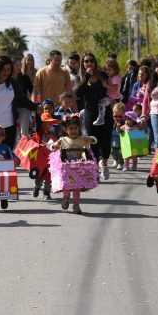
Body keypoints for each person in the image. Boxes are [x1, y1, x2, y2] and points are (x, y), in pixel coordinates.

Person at [0, 56, 39, 149]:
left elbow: (22, 100)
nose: (6, 72)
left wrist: (36, 107)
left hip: (9, 128)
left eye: (8, 70)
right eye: (3, 70)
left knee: (7, 158)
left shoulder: (14, 84)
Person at [75, 52, 112, 180]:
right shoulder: (81, 78)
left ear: (95, 62)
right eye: (86, 61)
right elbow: (77, 93)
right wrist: (86, 78)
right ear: (83, 64)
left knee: (106, 142)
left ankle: (105, 164)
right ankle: (95, 169)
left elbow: (114, 89)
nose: (89, 63)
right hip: (90, 113)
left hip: (105, 112)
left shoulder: (102, 75)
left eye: (91, 60)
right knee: (93, 141)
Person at [51, 114, 98, 214]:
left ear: (79, 129)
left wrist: (90, 139)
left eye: (76, 128)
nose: (73, 131)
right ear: (65, 129)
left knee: (77, 188)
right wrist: (54, 145)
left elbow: (94, 141)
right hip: (66, 168)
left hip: (78, 168)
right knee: (67, 187)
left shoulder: (82, 139)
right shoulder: (63, 140)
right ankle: (66, 197)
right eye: (70, 128)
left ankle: (76, 206)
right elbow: (51, 147)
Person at [31, 114, 59, 200]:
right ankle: (37, 187)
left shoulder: (52, 134)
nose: (51, 125)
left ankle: (46, 193)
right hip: (40, 160)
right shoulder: (39, 133)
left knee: (49, 177)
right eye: (49, 123)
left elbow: (56, 144)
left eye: (52, 123)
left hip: (50, 160)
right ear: (42, 123)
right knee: (39, 176)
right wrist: (37, 111)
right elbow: (38, 123)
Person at [93, 58, 122, 126]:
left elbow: (115, 88)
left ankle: (101, 118)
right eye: (106, 69)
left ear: (115, 69)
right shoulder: (112, 76)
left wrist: (106, 85)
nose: (107, 71)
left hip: (112, 97)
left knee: (101, 103)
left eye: (109, 70)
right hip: (110, 96)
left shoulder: (116, 78)